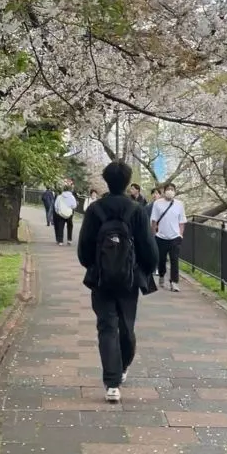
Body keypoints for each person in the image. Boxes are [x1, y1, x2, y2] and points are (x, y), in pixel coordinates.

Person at [78, 160, 158, 402]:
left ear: (105, 180)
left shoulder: (94, 210)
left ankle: (111, 384)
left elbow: (84, 249)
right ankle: (122, 368)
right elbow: (149, 248)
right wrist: (145, 270)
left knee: (106, 327)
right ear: (127, 182)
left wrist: (95, 266)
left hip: (101, 279)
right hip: (129, 279)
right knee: (126, 326)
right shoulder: (136, 211)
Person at [150, 183, 186, 292]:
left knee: (174, 260)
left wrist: (181, 234)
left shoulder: (179, 204)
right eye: (168, 189)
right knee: (161, 260)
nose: (170, 191)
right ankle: (161, 275)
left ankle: (174, 282)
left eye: (172, 189)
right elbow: (154, 220)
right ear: (164, 191)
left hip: (175, 237)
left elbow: (182, 221)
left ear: (175, 191)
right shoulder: (157, 203)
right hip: (161, 237)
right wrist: (153, 234)